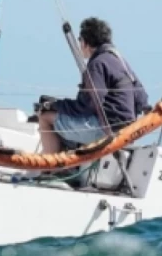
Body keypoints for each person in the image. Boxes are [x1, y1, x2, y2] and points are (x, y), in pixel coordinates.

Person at [38, 17, 150, 154]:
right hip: (127, 131)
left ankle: (50, 171)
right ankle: (68, 164)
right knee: (67, 120)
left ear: (85, 42)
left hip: (106, 130)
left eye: (79, 40)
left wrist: (54, 105)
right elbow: (142, 98)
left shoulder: (97, 63)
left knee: (45, 117)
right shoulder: (120, 61)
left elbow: (88, 106)